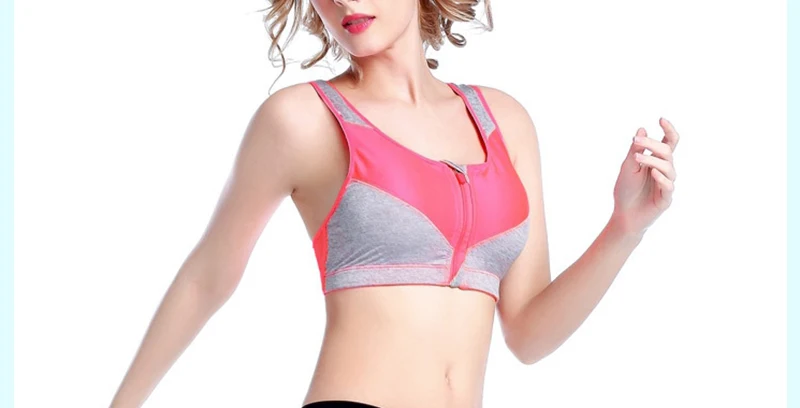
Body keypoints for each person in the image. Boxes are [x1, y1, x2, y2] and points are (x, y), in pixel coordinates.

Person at [109, 0, 680, 407]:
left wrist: (625, 228)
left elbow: (529, 336)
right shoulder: (302, 120)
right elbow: (205, 279)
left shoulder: (505, 121)